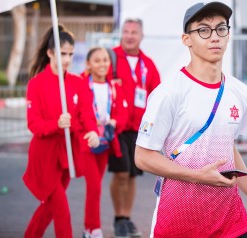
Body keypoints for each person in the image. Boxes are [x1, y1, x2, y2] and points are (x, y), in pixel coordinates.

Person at [134, 1, 247, 238]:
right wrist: (198, 176)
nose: (214, 37)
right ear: (187, 39)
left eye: (221, 29)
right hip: (180, 216)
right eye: (203, 30)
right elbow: (143, 157)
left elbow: (228, 146)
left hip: (229, 216)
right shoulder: (169, 93)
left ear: (228, 36)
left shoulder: (240, 91)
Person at [23, 25, 100, 238]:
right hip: (44, 156)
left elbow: (87, 115)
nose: (67, 59)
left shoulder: (78, 83)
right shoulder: (36, 84)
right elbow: (34, 124)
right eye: (62, 53)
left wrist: (93, 132)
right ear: (50, 53)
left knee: (49, 208)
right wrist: (56, 124)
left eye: (70, 54)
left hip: (67, 155)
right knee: (61, 209)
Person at [107, 18, 161, 238]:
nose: (129, 36)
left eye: (134, 32)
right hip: (115, 127)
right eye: (126, 31)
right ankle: (118, 218)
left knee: (131, 175)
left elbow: (157, 95)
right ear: (121, 34)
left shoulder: (147, 64)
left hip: (138, 129)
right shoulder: (110, 57)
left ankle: (126, 218)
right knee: (120, 172)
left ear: (141, 35)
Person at [81, 47, 129, 238]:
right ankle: (94, 228)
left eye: (105, 60)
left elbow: (123, 114)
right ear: (88, 64)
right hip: (87, 142)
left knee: (95, 186)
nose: (102, 64)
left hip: (105, 142)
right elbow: (81, 113)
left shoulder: (114, 87)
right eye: (97, 60)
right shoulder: (82, 84)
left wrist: (115, 122)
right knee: (94, 186)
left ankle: (88, 228)